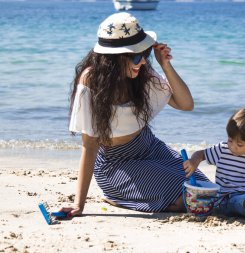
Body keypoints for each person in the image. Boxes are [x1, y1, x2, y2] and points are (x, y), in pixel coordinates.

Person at [61, 12, 209, 217]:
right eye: (137, 56)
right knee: (183, 200)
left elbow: (186, 104)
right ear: (113, 59)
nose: (142, 62)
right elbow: (90, 144)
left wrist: (165, 65)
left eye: (145, 55)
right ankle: (118, 194)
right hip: (116, 163)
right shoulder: (91, 81)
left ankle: (132, 195)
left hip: (150, 147)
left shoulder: (142, 73)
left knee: (203, 190)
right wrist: (79, 205)